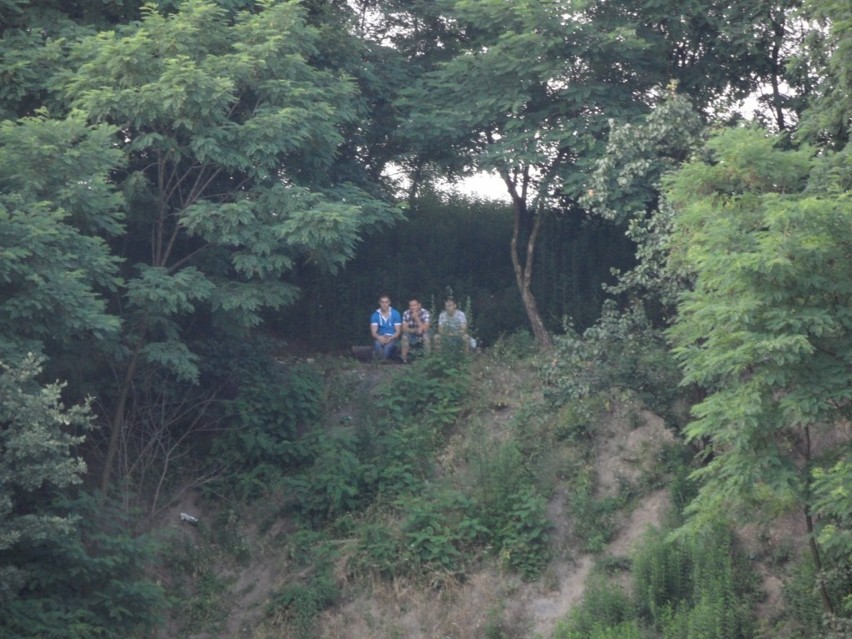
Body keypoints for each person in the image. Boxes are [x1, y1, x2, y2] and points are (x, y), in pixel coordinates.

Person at [370, 294, 401, 361]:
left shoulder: (396, 314)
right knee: (377, 345)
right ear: (379, 303)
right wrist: (379, 338)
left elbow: (398, 331)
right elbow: (373, 332)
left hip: (392, 337)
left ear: (389, 303)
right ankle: (381, 360)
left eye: (386, 302)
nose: (384, 304)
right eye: (382, 302)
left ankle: (381, 360)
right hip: (380, 336)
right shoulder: (375, 315)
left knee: (388, 347)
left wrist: (391, 338)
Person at [400, 298, 431, 363]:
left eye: (414, 305)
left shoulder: (425, 312)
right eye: (410, 305)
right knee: (404, 336)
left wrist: (416, 318)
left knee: (426, 337)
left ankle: (427, 359)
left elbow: (425, 328)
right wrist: (415, 330)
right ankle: (404, 359)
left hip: (423, 333)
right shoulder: (406, 313)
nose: (412, 307)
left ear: (419, 305)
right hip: (411, 333)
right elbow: (404, 328)